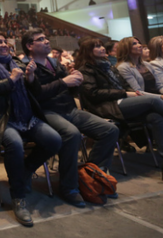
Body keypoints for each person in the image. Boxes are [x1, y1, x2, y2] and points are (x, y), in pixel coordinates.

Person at [76, 37, 163, 191]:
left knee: (157, 117)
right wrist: (125, 93)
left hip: (122, 102)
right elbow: (93, 94)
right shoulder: (86, 70)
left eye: (101, 45)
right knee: (153, 101)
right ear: (88, 52)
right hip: (107, 107)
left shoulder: (109, 66)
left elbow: (126, 86)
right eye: (97, 46)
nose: (102, 48)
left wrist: (130, 92)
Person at [21, 29, 118, 208]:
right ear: (29, 46)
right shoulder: (25, 65)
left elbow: (66, 89)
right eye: (40, 39)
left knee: (110, 130)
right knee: (71, 134)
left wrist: (76, 81)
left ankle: (90, 176)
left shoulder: (53, 62)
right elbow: (36, 95)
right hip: (47, 112)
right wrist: (64, 82)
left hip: (69, 109)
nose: (47, 41)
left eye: (46, 37)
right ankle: (69, 187)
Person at [0, 32, 61, 226]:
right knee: (15, 144)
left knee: (54, 140)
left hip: (26, 117)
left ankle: (26, 170)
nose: (4, 44)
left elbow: (35, 91)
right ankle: (18, 198)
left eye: (6, 41)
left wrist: (30, 77)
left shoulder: (15, 62)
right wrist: (11, 80)